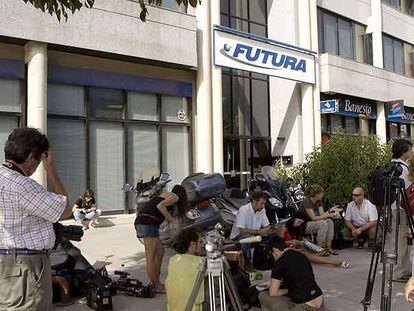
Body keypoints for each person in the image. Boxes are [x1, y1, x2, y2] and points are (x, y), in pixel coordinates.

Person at [0, 127, 72, 310]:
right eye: (39, 160)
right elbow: (65, 211)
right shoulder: (22, 185)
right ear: (32, 156)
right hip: (26, 265)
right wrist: (51, 170)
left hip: (7, 261)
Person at [134, 184, 189, 293]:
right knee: (151, 256)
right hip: (148, 222)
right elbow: (160, 206)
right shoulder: (174, 197)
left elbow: (159, 208)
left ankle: (156, 277)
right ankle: (156, 285)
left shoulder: (165, 195)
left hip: (145, 221)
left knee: (160, 251)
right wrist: (173, 221)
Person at [258, 236, 326, 311]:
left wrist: (288, 290)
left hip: (303, 306)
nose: (271, 257)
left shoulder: (279, 264)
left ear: (275, 250)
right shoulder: (300, 254)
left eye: (270, 254)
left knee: (262, 295)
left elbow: (273, 293)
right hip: (319, 301)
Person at [281, 212, 350, 269]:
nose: (299, 224)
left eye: (300, 223)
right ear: (293, 219)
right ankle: (333, 263)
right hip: (284, 249)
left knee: (315, 248)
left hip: (294, 246)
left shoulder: (295, 228)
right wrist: (290, 242)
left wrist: (305, 243)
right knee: (305, 253)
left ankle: (317, 254)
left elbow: (299, 238)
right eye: (298, 222)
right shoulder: (283, 227)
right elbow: (278, 242)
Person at [387, 138, 413, 282]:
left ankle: (403, 269)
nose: (411, 152)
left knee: (399, 239)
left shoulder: (391, 165)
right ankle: (398, 272)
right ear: (404, 151)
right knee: (402, 240)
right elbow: (408, 190)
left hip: (393, 207)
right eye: (410, 149)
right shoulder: (403, 168)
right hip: (401, 208)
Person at [229, 191, 272, 269]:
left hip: (254, 234)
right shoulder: (243, 210)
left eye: (264, 204)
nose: (263, 206)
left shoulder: (262, 210)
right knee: (247, 237)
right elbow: (242, 230)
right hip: (239, 236)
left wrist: (270, 229)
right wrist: (259, 231)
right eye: (261, 203)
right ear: (254, 202)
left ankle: (267, 260)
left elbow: (266, 225)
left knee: (271, 236)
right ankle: (247, 262)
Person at [165, 229, 204, 311]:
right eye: (200, 242)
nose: (203, 245)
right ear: (192, 244)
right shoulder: (201, 263)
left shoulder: (173, 260)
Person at [300, 185, 338, 255]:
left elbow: (322, 215)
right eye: (321, 193)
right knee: (323, 223)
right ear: (317, 194)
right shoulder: (307, 201)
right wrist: (328, 215)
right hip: (305, 225)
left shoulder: (319, 201)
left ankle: (328, 246)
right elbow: (313, 218)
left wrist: (330, 210)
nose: (323, 194)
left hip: (314, 223)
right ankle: (319, 248)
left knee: (329, 221)